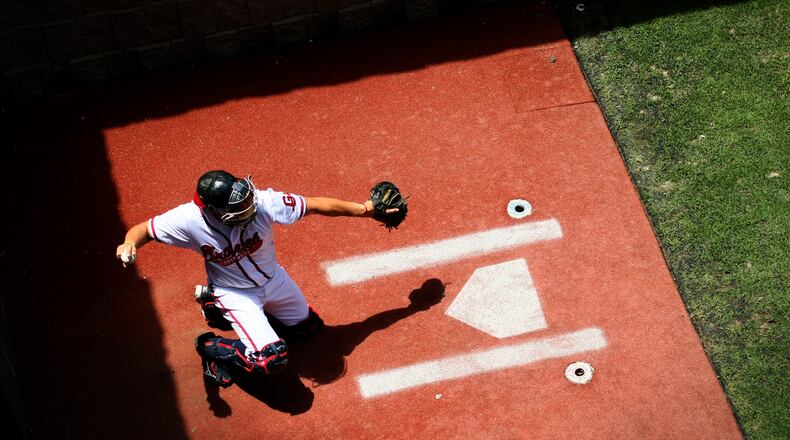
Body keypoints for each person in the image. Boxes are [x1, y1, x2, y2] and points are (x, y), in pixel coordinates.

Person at [115, 170, 400, 387]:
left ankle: (218, 310)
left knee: (309, 330)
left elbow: (313, 205)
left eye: (246, 200)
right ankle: (211, 347)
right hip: (235, 294)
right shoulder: (188, 220)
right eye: (237, 208)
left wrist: (364, 210)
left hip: (274, 281)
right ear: (212, 211)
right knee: (270, 359)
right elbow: (145, 230)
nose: (249, 209)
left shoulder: (262, 201)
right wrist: (129, 244)